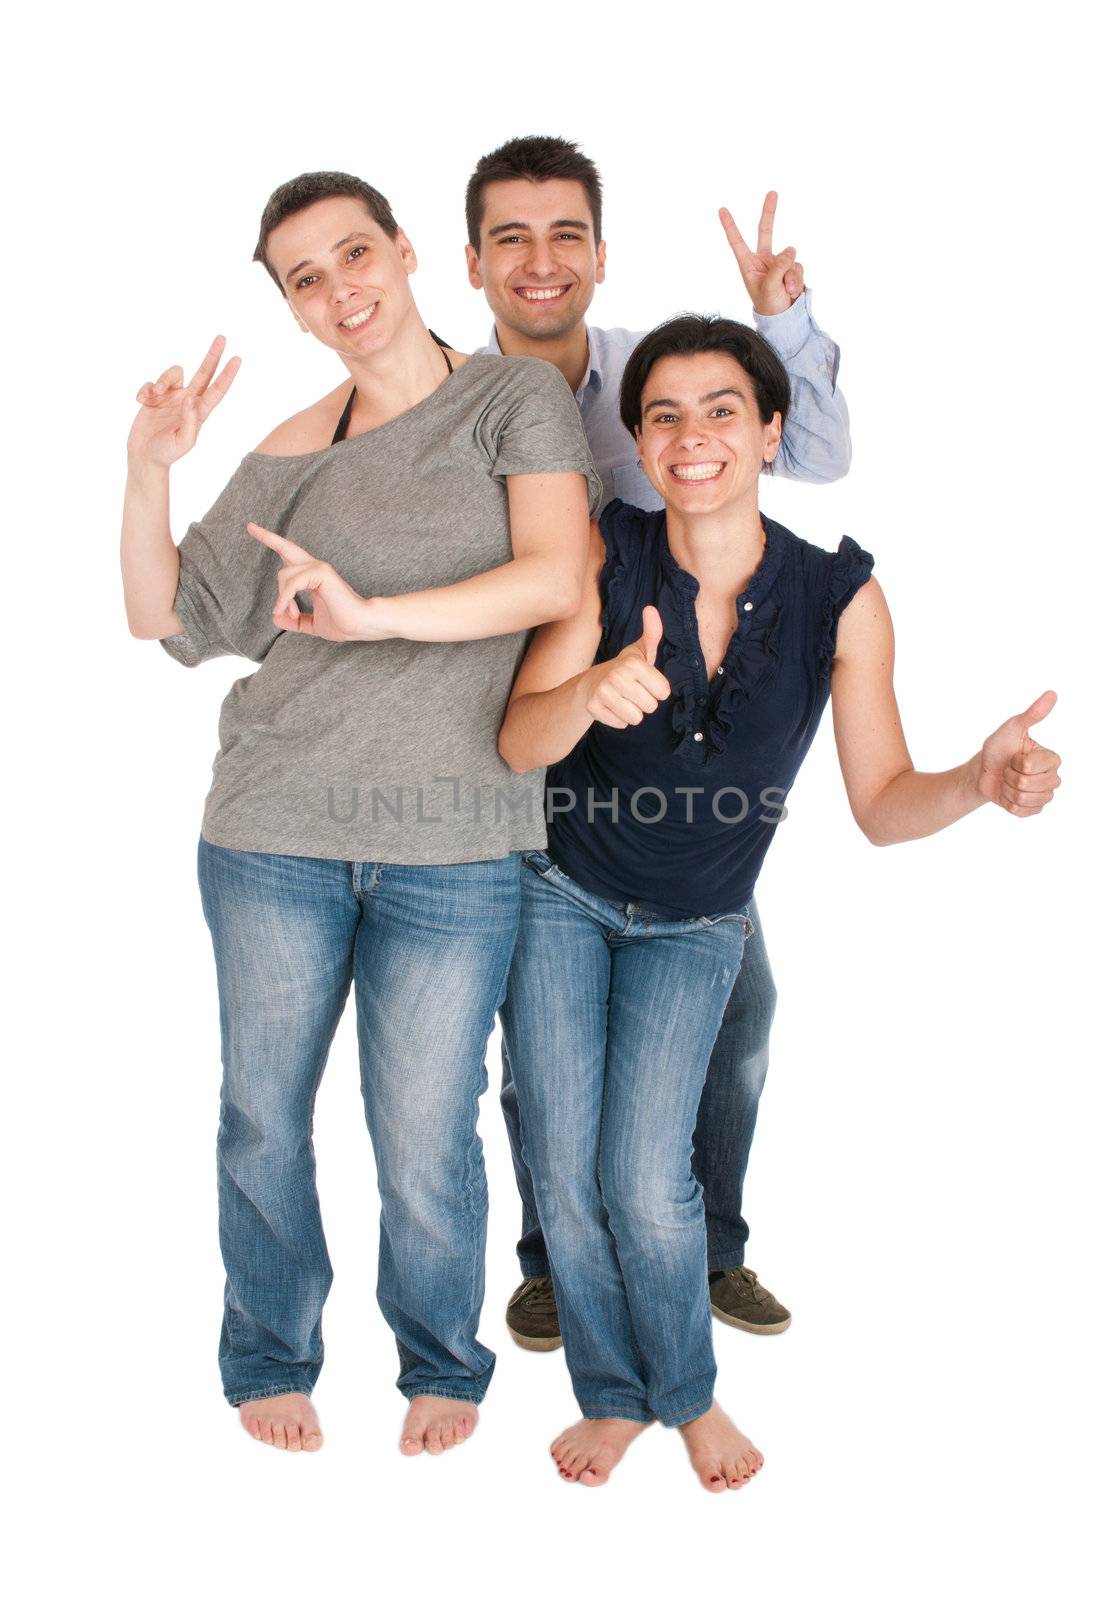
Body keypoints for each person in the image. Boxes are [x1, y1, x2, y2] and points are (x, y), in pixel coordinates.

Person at [496, 314, 1061, 1490]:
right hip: (558, 892)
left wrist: (978, 781)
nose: (691, 435)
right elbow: (517, 740)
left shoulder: (839, 598)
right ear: (638, 443)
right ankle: (614, 1395)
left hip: (700, 923)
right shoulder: (603, 553)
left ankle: (688, 1393)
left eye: (720, 411)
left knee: (650, 1184)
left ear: (769, 430)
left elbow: (884, 798)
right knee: (564, 1162)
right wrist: (594, 688)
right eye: (662, 414)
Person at [120, 170, 601, 1455]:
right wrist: (148, 472)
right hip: (273, 833)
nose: (342, 290)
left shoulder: (514, 398)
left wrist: (376, 614)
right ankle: (270, 1351)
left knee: (424, 1127)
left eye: (353, 255)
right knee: (263, 1112)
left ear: (404, 252)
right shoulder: (283, 449)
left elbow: (555, 575)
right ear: (292, 308)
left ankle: (443, 1356)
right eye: (306, 280)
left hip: (458, 837)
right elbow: (167, 619)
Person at [464, 134, 851, 1348]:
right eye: (511, 237)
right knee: (541, 1046)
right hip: (516, 738)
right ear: (473, 263)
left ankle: (707, 1241)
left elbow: (816, 456)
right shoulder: (449, 404)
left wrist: (780, 323)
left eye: (564, 233)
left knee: (742, 1009)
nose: (541, 261)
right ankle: (549, 1256)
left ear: (599, 252)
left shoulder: (653, 375)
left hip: (670, 753)